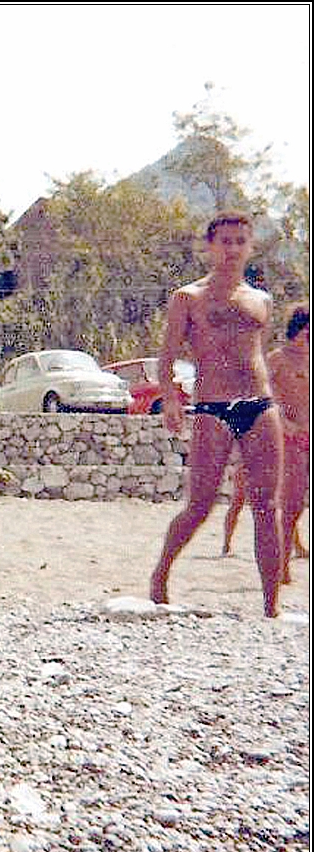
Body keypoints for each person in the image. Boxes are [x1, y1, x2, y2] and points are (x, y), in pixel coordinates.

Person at [150, 213, 283, 617]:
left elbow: (262, 355)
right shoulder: (188, 297)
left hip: (259, 405)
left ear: (250, 247)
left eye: (240, 241)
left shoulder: (260, 299)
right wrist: (171, 398)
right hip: (213, 406)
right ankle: (161, 573)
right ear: (209, 246)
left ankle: (271, 605)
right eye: (225, 241)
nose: (232, 248)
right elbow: (168, 355)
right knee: (201, 503)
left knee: (266, 505)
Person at [221, 305, 309, 575]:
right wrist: (282, 420)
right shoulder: (277, 359)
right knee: (288, 499)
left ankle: (288, 554)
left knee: (298, 503)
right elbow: (256, 392)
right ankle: (280, 565)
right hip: (285, 437)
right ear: (298, 331)